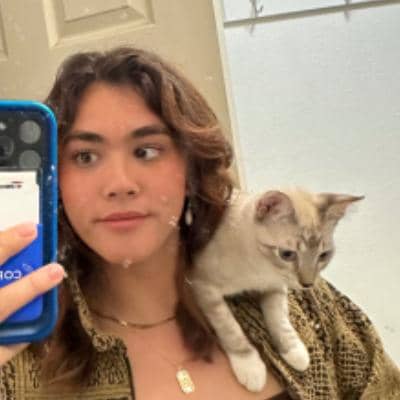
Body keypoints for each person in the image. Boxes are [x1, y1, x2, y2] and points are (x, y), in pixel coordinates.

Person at [0, 47, 399, 400]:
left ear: (191, 167)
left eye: (146, 150)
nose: (119, 184)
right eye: (85, 156)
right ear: (55, 178)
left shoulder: (298, 305)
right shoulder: (19, 356)